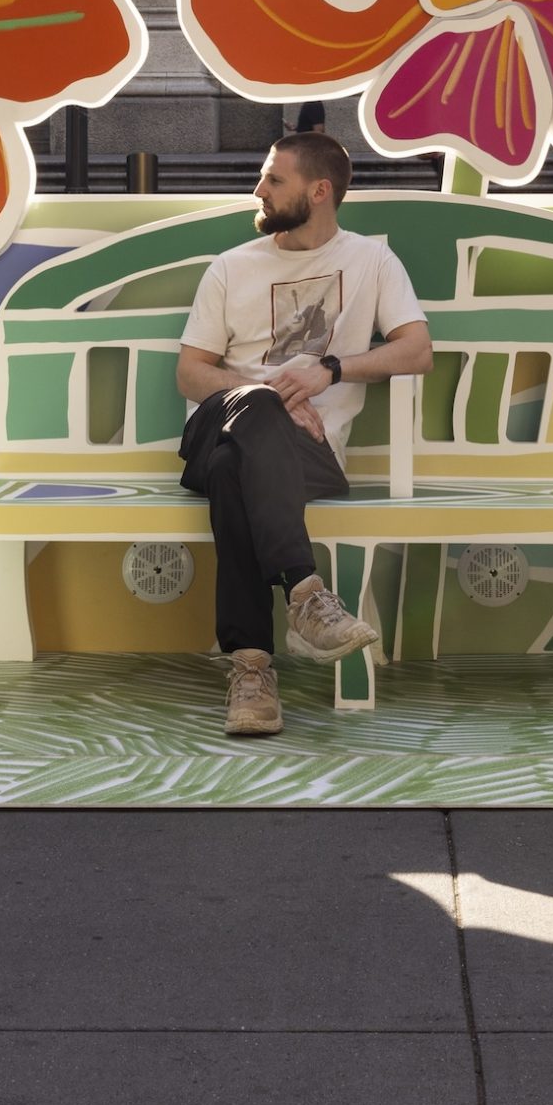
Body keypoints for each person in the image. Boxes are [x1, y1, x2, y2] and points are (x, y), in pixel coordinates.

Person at [176, 131, 433, 736]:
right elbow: (190, 373)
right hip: (216, 429)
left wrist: (331, 369)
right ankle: (307, 595)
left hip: (305, 457)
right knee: (250, 420)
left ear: (320, 192)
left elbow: (417, 350)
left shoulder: (370, 261)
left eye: (274, 180)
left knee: (232, 474)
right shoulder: (232, 267)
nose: (259, 189)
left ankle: (251, 670)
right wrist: (264, 400)